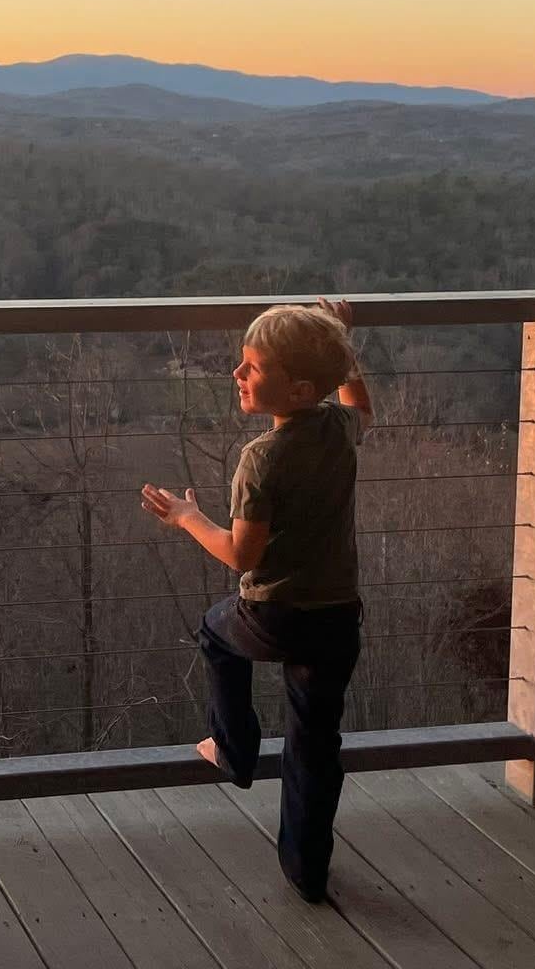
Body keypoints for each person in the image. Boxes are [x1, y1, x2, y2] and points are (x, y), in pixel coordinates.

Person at [141, 297, 370, 902]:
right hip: (338, 617)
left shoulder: (262, 459)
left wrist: (189, 517)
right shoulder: (337, 430)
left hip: (276, 615)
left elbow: (243, 556)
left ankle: (234, 749)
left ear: (296, 388)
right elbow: (359, 405)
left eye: (251, 367)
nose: (237, 375)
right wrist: (340, 348)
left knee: (216, 631)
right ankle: (306, 870)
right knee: (316, 743)